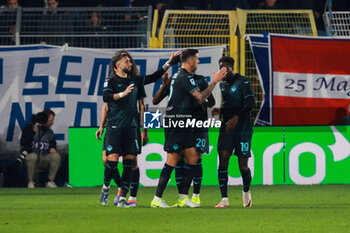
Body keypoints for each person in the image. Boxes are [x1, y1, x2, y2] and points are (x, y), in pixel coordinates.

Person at [100, 49, 180, 207]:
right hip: (115, 127)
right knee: (112, 161)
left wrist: (169, 63)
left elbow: (154, 77)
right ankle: (106, 187)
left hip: (131, 128)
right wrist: (123, 94)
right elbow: (106, 98)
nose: (130, 63)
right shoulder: (110, 82)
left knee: (130, 162)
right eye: (126, 61)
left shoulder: (135, 80)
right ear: (117, 64)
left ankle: (123, 198)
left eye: (130, 61)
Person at [151, 49, 227, 208]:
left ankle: (184, 198)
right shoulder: (184, 77)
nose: (198, 62)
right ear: (190, 61)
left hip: (185, 123)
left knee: (193, 157)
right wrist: (214, 82)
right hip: (176, 123)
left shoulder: (180, 77)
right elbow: (200, 97)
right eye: (197, 59)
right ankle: (157, 199)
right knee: (172, 160)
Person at [212, 56, 256, 208]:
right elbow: (230, 105)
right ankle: (224, 199)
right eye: (221, 69)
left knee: (243, 166)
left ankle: (246, 192)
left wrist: (237, 117)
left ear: (232, 68)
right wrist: (221, 110)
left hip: (243, 129)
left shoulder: (243, 81)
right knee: (223, 162)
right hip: (226, 129)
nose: (223, 71)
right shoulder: (222, 84)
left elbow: (251, 103)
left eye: (226, 68)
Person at [19, 109, 61, 188]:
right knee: (33, 156)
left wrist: (52, 148)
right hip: (29, 158)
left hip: (43, 158)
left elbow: (53, 144)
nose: (52, 123)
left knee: (56, 156)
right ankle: (31, 182)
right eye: (51, 120)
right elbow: (24, 143)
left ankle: (50, 182)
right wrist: (34, 130)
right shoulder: (29, 127)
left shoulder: (50, 132)